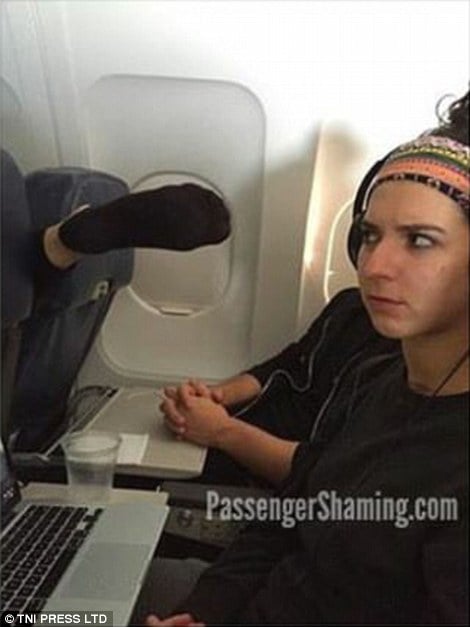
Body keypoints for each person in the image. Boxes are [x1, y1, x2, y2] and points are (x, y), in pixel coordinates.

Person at [136, 90, 469, 625]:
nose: (374, 266)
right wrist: (203, 610)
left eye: (420, 241)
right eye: (369, 236)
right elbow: (284, 519)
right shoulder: (373, 379)